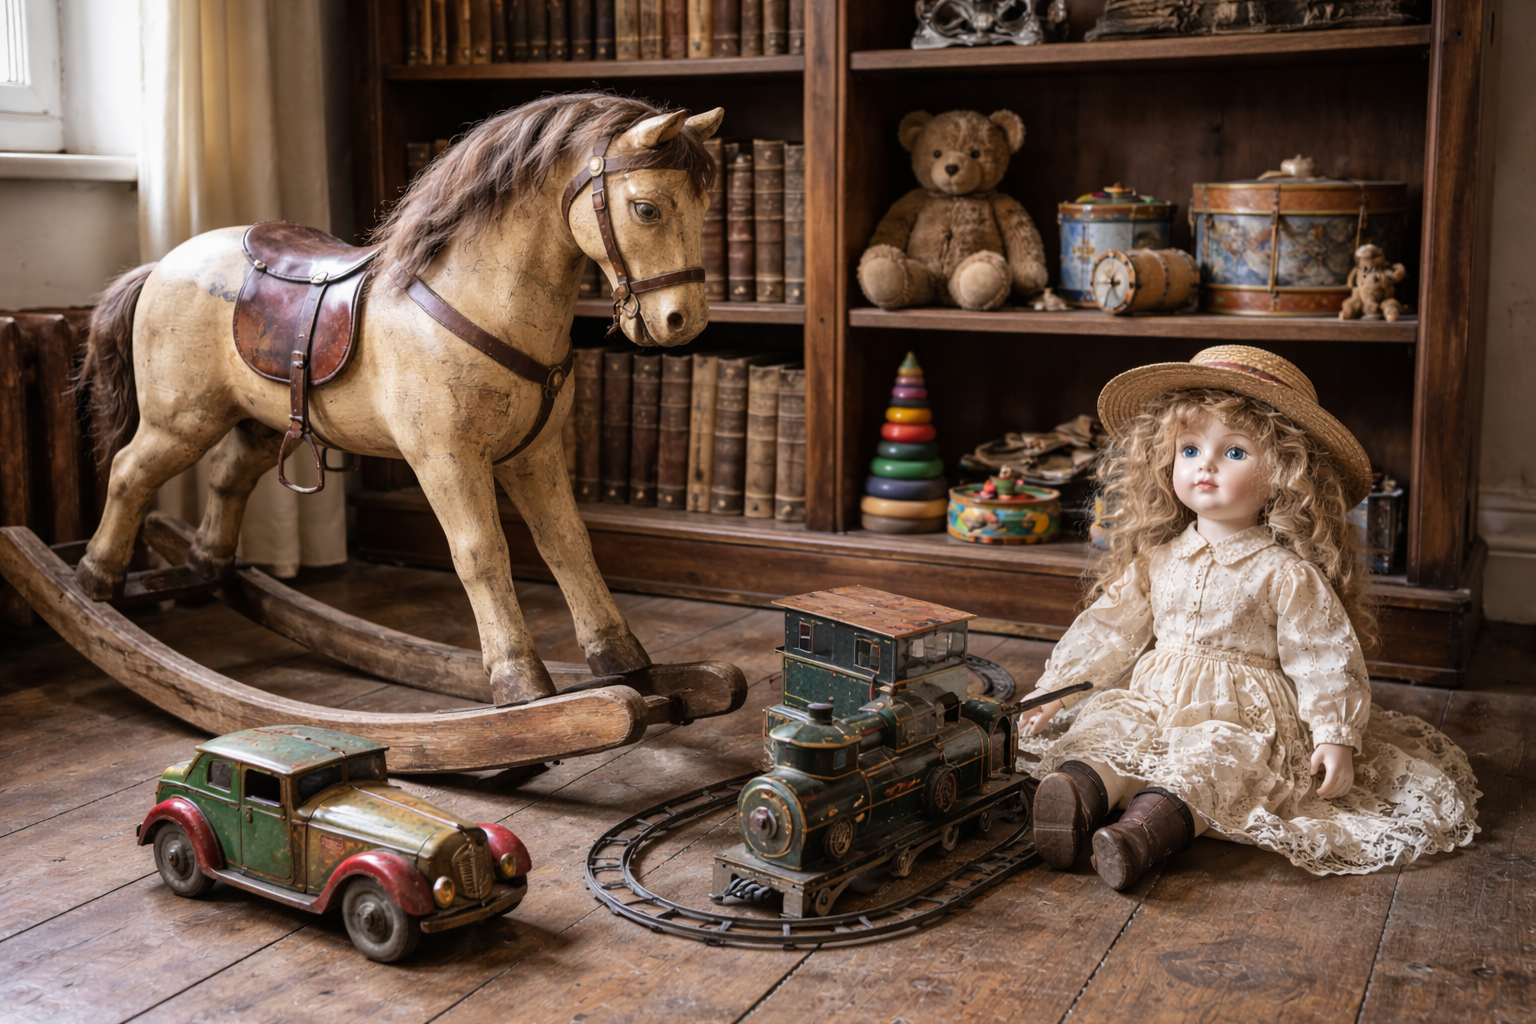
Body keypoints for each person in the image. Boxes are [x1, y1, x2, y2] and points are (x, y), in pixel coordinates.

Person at [1020, 345, 1478, 890]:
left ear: (1283, 475)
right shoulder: (1158, 560)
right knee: (1109, 731)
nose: (1205, 465)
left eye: (1234, 453)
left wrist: (1334, 733)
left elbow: (1323, 654)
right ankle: (1075, 797)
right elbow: (1109, 629)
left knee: (1217, 763)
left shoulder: (1283, 573)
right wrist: (1057, 691)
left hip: (1244, 717)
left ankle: (1140, 835)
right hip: (1154, 697)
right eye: (1190, 448)